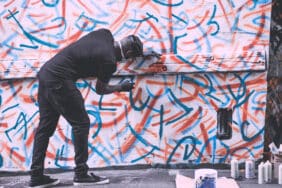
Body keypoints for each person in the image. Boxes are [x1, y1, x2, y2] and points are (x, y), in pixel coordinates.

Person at [29, 28, 157, 187]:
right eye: (131, 57)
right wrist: (120, 87)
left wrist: (145, 53)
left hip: (46, 73)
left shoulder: (104, 33)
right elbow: (100, 89)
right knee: (81, 124)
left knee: (45, 129)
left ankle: (36, 177)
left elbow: (87, 54)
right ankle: (81, 174)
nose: (129, 60)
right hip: (60, 80)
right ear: (128, 52)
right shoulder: (109, 62)